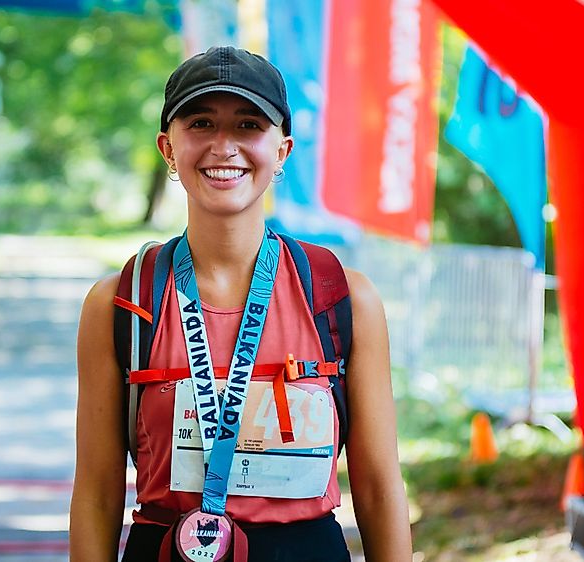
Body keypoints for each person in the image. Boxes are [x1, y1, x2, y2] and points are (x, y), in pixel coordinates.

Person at [69, 45, 413, 561]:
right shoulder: (121, 304)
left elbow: (380, 488)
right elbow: (96, 492)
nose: (223, 146)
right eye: (201, 123)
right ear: (168, 147)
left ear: (281, 151)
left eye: (249, 125)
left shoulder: (341, 297)